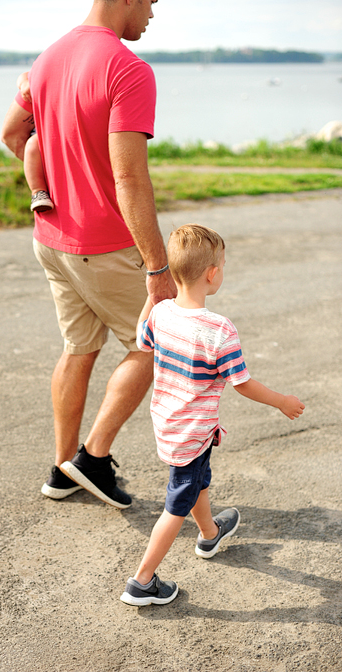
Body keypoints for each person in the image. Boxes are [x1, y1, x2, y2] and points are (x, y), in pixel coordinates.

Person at [1, 0, 176, 509]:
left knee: (79, 348)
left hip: (51, 239)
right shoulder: (127, 68)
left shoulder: (48, 59)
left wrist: (60, 178)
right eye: (151, 0)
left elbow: (14, 135)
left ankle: (61, 471)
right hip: (103, 246)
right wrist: (159, 268)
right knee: (157, 343)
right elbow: (129, 178)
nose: (153, 11)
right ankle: (92, 459)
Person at [120, 224, 304, 606]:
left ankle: (209, 534)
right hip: (192, 429)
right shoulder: (219, 330)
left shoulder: (161, 314)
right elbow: (243, 383)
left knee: (197, 478)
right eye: (222, 263)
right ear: (213, 273)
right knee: (177, 503)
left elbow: (141, 338)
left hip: (170, 424)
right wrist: (281, 401)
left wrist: (150, 297)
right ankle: (142, 580)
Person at [16, 72, 53, 213]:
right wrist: (25, 84)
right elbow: (24, 75)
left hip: (60, 132)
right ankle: (38, 191)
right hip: (42, 133)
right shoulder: (42, 73)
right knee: (32, 145)